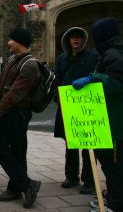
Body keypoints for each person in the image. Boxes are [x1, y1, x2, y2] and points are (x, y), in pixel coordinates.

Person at [0, 27, 41, 209]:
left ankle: (26, 185)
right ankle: (18, 186)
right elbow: (4, 86)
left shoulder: (30, 65)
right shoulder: (13, 60)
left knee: (8, 151)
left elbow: (15, 94)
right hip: (7, 112)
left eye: (11, 39)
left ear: (20, 42)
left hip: (16, 114)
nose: (8, 42)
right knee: (10, 151)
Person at [72, 17, 123, 212]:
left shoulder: (114, 54)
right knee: (110, 164)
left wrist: (94, 78)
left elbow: (118, 83)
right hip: (110, 121)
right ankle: (114, 196)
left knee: (114, 165)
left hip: (116, 125)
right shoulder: (110, 52)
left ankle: (117, 203)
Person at [54, 27, 98, 194]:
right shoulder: (62, 59)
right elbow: (57, 78)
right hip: (68, 104)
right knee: (70, 144)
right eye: (73, 37)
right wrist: (58, 96)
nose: (76, 40)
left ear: (84, 40)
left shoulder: (93, 57)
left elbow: (97, 74)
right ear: (68, 40)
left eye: (79, 37)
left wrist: (89, 80)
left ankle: (89, 180)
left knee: (87, 145)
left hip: (87, 105)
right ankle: (71, 176)